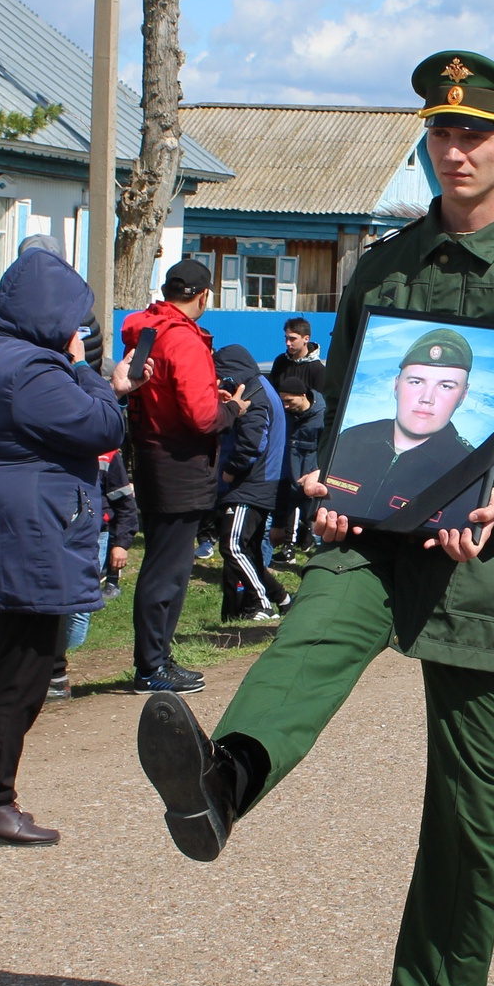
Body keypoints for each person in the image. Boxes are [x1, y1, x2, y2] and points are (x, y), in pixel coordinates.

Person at [132, 49, 494, 986]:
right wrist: (328, 477)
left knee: (464, 797)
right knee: (307, 641)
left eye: (476, 135)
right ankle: (223, 784)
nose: (456, 150)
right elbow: (352, 407)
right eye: (443, 133)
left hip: (485, 561)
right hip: (378, 539)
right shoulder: (384, 269)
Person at [0, 240, 127, 841]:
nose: (79, 330)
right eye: (73, 319)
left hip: (5, 531)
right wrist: (87, 371)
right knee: (25, 669)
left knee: (8, 665)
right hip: (27, 537)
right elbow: (103, 425)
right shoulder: (31, 370)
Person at [119, 257, 245, 694]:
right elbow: (200, 416)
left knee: (162, 561)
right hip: (181, 462)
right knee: (168, 570)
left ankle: (155, 660)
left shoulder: (147, 329)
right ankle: (152, 665)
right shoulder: (184, 340)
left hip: (151, 454)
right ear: (203, 295)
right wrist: (231, 408)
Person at [319, 328, 483, 525]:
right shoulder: (352, 439)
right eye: (416, 381)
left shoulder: (469, 468)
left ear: (463, 396)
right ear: (396, 385)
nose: (427, 398)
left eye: (445, 386)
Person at [214, 343, 290, 622]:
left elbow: (252, 442)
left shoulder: (255, 394)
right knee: (250, 551)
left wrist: (229, 472)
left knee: (232, 546)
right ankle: (282, 598)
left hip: (251, 484)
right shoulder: (262, 387)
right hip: (263, 482)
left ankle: (260, 603)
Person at [271, 318, 327, 559]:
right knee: (286, 488)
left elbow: (321, 405)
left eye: (292, 338)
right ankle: (294, 537)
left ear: (306, 339)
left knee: (302, 489)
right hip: (283, 432)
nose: (288, 343)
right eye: (286, 338)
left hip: (307, 437)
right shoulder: (280, 363)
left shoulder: (317, 370)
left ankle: (305, 539)